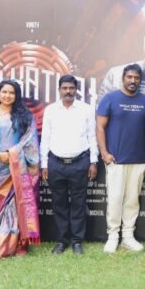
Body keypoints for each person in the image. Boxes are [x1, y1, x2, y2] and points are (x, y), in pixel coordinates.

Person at [0, 80, 41, 259]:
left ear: (16, 96)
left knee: (18, 203)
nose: (7, 95)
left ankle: (20, 244)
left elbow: (30, 141)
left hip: (20, 167)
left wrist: (13, 155)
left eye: (11, 92)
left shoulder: (24, 115)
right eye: (4, 92)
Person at [96, 64, 145, 253]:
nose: (133, 81)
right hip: (116, 159)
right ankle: (113, 236)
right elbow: (100, 127)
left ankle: (128, 236)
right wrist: (104, 153)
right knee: (114, 199)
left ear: (140, 80)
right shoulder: (110, 99)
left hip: (139, 159)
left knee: (132, 200)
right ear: (123, 78)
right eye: (129, 77)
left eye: (136, 78)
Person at [40, 75, 98, 255]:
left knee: (79, 203)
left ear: (76, 89)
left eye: (71, 88)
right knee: (59, 204)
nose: (68, 91)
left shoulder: (86, 109)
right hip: (55, 163)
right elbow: (45, 138)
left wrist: (93, 161)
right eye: (65, 88)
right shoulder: (51, 110)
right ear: (59, 90)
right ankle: (62, 241)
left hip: (80, 162)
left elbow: (92, 136)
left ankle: (77, 241)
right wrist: (44, 164)